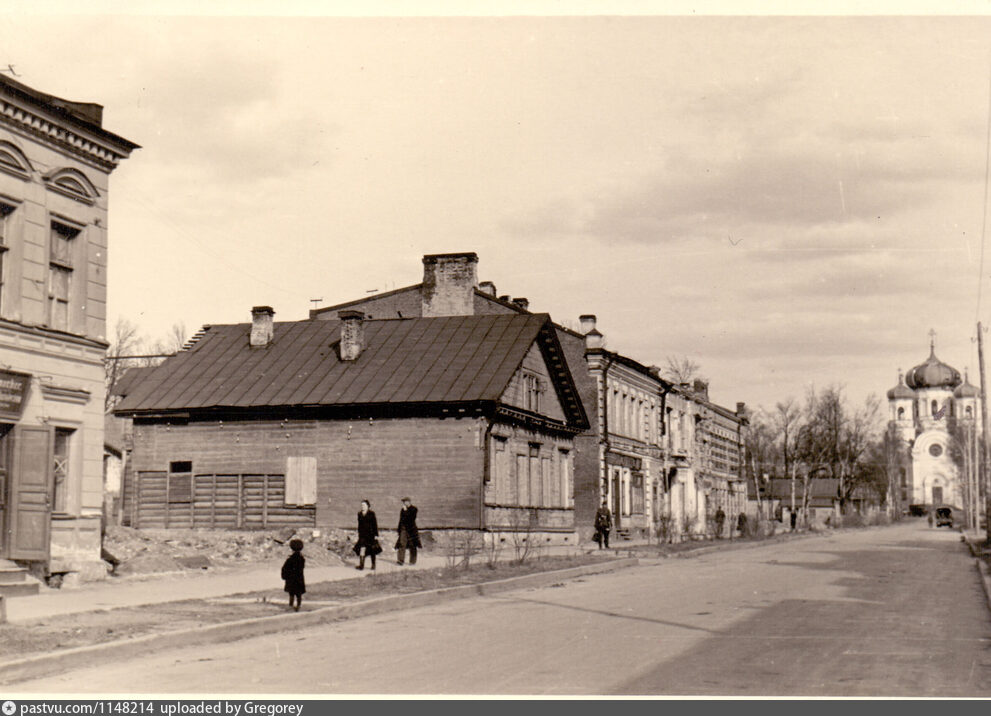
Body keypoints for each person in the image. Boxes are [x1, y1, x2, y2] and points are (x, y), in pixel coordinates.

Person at [354, 499, 380, 570]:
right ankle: (361, 565)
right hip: (362, 535)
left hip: (370, 535)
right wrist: (358, 533)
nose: (362, 506)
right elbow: (359, 525)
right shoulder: (359, 514)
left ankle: (373, 565)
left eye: (364, 505)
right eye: (362, 505)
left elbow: (375, 524)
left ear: (368, 506)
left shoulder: (372, 514)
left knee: (372, 550)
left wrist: (376, 535)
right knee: (362, 549)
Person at [280, 538, 305, 611]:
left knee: (291, 593)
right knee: (298, 594)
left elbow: (285, 568)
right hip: (299, 579)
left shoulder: (290, 559)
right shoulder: (302, 559)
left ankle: (291, 606)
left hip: (291, 579)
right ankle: (299, 605)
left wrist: (284, 576)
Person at [396, 496, 421, 565]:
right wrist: (399, 530)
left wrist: (406, 511)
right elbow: (401, 520)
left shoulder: (414, 509)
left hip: (411, 530)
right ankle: (400, 560)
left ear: (409, 502)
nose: (404, 503)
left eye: (405, 502)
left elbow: (411, 519)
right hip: (403, 529)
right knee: (401, 544)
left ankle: (412, 561)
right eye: (403, 502)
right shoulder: (403, 510)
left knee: (412, 545)